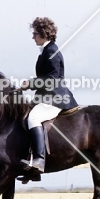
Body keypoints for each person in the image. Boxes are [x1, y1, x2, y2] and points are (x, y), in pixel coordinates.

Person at [20, 17, 78, 180]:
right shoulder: (46, 51)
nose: (33, 37)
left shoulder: (51, 51)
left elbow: (51, 80)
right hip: (46, 97)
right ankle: (33, 169)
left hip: (56, 98)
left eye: (35, 34)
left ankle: (39, 160)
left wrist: (31, 83)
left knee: (34, 118)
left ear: (44, 34)